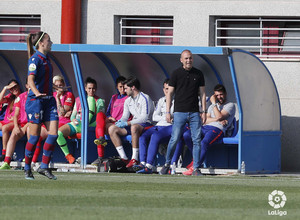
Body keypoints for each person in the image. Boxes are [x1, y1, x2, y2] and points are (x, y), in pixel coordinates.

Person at [159, 49, 207, 176]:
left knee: (196, 140)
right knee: (174, 139)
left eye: (190, 58)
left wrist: (204, 111)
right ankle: (166, 165)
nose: (188, 60)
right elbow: (170, 93)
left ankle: (196, 168)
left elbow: (202, 93)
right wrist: (168, 111)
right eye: (186, 58)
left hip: (195, 112)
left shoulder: (198, 74)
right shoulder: (176, 73)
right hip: (179, 112)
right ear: (181, 60)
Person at [133, 79, 187, 174]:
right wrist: (165, 117)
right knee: (142, 137)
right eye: (166, 89)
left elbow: (177, 117)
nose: (168, 91)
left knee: (156, 136)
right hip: (159, 125)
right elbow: (154, 116)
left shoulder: (178, 100)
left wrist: (170, 119)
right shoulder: (162, 100)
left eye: (170, 89)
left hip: (170, 126)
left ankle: (149, 166)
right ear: (163, 90)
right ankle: (142, 163)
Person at [24, 31, 58, 180]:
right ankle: (27, 168)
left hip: (49, 100)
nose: (51, 43)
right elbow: (30, 80)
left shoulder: (47, 58)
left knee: (54, 134)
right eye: (49, 40)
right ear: (41, 43)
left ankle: (44, 167)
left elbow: (42, 79)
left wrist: (55, 88)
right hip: (35, 101)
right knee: (34, 137)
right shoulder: (34, 59)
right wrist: (37, 92)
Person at [182, 84, 236, 175]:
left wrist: (214, 104)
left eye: (221, 94)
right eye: (217, 95)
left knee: (204, 142)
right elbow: (205, 120)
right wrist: (216, 119)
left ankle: (195, 167)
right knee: (187, 135)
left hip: (218, 130)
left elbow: (219, 116)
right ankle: (196, 159)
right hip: (205, 127)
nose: (219, 97)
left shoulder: (230, 105)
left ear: (225, 94)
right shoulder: (211, 107)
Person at [107, 76, 154, 168]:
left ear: (133, 87)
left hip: (147, 125)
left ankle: (134, 158)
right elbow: (125, 116)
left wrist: (127, 123)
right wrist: (121, 121)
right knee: (112, 129)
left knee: (134, 127)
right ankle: (124, 158)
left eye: (126, 88)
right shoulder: (128, 100)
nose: (124, 91)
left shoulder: (145, 97)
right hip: (134, 124)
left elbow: (144, 118)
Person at [56, 77, 105, 164]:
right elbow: (73, 115)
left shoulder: (99, 100)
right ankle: (69, 156)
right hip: (77, 124)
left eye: (93, 88)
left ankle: (87, 157)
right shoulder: (79, 99)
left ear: (96, 89)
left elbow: (99, 117)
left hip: (89, 126)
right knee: (58, 133)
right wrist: (73, 119)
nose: (91, 90)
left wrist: (88, 121)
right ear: (85, 89)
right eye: (89, 88)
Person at [0, 83, 47, 169]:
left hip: (33, 123)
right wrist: (16, 126)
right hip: (22, 124)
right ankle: (7, 161)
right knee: (14, 133)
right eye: (30, 85)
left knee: (30, 130)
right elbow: (16, 114)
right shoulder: (20, 97)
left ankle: (29, 158)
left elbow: (37, 115)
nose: (32, 87)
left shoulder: (37, 97)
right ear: (26, 86)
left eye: (34, 85)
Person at [92, 76, 128, 166]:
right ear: (117, 87)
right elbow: (108, 113)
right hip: (111, 122)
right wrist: (109, 117)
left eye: (124, 87)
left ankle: (100, 156)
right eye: (120, 87)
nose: (122, 89)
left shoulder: (128, 98)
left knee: (99, 128)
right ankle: (101, 138)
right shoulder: (114, 97)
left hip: (121, 124)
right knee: (100, 115)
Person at [0, 80, 22, 161]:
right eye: (11, 88)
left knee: (5, 128)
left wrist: (16, 118)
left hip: (17, 122)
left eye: (15, 87)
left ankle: (4, 152)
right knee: (4, 126)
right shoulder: (10, 97)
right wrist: (5, 88)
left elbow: (25, 111)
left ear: (19, 86)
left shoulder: (23, 96)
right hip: (6, 121)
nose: (14, 89)